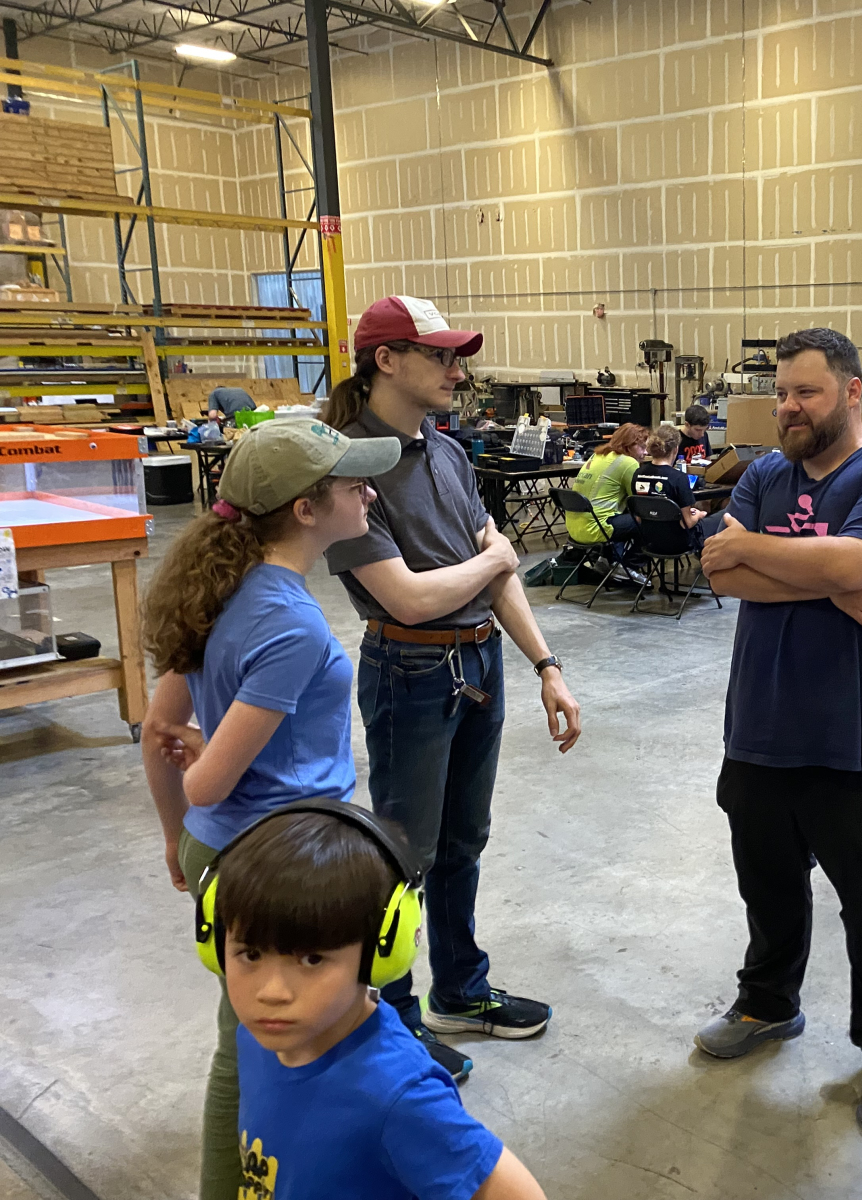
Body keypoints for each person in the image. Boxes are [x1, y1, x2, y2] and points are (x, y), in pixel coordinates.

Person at [321, 295, 581, 1084]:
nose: (457, 371)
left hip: (478, 664)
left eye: (455, 357)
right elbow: (407, 598)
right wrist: (495, 557)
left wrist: (545, 664)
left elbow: (494, 577)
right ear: (386, 360)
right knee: (403, 858)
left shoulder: (446, 451)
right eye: (438, 356)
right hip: (411, 669)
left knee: (465, 842)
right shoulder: (346, 466)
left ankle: (460, 990)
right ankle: (393, 1019)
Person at [140, 419, 402, 1200]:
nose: (369, 493)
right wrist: (199, 775)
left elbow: (159, 730)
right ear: (305, 509)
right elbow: (206, 780)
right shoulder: (290, 623)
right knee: (253, 1046)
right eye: (352, 484)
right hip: (275, 860)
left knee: (257, 1036)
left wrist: (177, 837)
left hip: (221, 847)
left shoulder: (224, 590)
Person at [694, 327, 862, 1130]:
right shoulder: (767, 472)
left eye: (806, 391)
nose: (788, 407)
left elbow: (844, 563)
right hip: (763, 723)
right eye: (781, 393)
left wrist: (814, 563)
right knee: (766, 884)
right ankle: (768, 1005)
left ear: (852, 392)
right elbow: (720, 571)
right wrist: (833, 580)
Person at [204, 804, 548, 1200]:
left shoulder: (398, 1095)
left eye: (312, 959)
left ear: (378, 955)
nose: (271, 992)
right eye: (250, 954)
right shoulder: (257, 1038)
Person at [632, 422, 719, 548]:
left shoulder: (637, 474)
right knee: (719, 518)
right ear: (675, 449)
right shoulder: (679, 478)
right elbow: (687, 523)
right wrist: (699, 515)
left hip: (648, 539)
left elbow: (639, 517)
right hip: (678, 542)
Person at [568, 421, 649, 544]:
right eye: (642, 447)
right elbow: (639, 500)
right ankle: (634, 557)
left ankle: (616, 553)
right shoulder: (628, 462)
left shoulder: (597, 455)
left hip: (574, 528)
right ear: (628, 445)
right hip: (597, 528)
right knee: (649, 519)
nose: (646, 452)